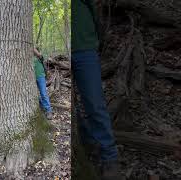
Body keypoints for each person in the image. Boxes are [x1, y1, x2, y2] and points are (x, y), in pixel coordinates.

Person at [73, 0, 124, 179]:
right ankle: (87, 142)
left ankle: (109, 157)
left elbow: (95, 14)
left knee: (94, 103)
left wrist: (94, 41)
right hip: (64, 50)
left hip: (84, 49)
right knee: (72, 108)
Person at [33, 47, 53, 120]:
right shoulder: (28, 57)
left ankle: (49, 111)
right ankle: (42, 108)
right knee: (34, 94)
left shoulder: (40, 57)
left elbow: (40, 55)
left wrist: (32, 47)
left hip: (41, 77)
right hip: (32, 78)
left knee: (43, 93)